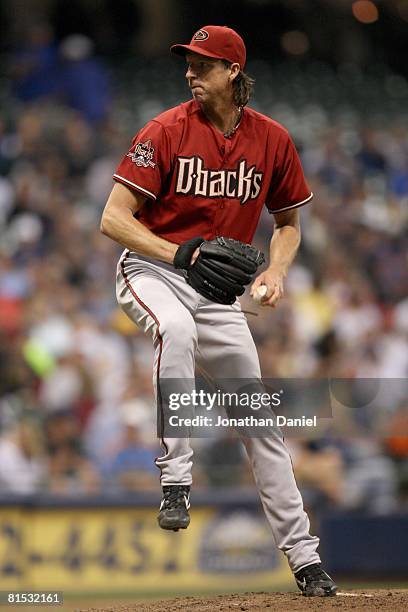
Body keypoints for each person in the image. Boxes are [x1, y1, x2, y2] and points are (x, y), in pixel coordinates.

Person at [101, 25, 337, 597]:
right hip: (152, 270)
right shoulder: (165, 129)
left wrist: (276, 270)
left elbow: (288, 224)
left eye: (202, 64)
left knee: (261, 423)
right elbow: (113, 219)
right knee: (174, 330)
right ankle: (177, 479)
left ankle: (305, 560)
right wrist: (178, 252)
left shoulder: (272, 139)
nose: (190, 73)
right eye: (188, 63)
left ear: (233, 71)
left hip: (217, 294)